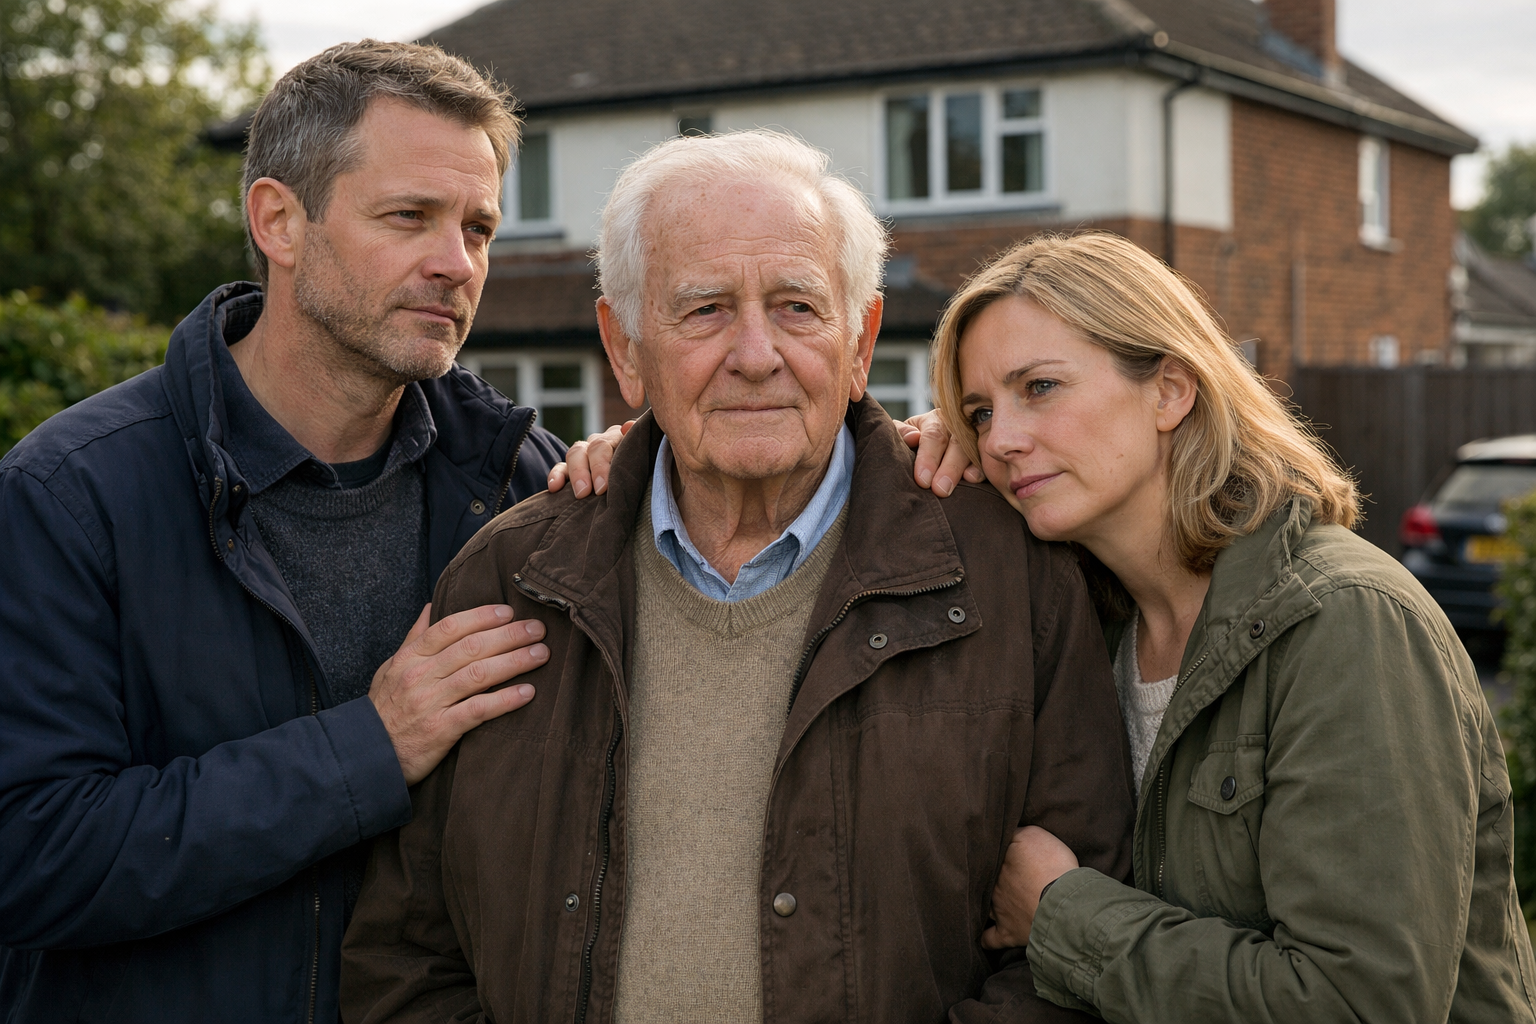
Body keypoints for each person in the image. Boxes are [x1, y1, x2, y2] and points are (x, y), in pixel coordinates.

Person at [341, 130, 1134, 1024]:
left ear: (861, 338)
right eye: (705, 309)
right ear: (626, 348)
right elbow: (407, 958)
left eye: (798, 307)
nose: (756, 354)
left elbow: (1075, 953)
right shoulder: (511, 577)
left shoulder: (1008, 570)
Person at [0, 41, 560, 1023]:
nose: (456, 263)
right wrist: (372, 747)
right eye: (410, 218)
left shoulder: (520, 480)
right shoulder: (68, 493)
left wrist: (908, 450)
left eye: (479, 227)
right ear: (278, 221)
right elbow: (33, 852)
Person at [901, 232, 1536, 1021]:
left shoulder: (1344, 622)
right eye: (979, 413)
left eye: (1040, 387)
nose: (1000, 441)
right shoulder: (1089, 632)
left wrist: (1064, 915)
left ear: (1170, 391)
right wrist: (915, 469)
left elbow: (1361, 1002)